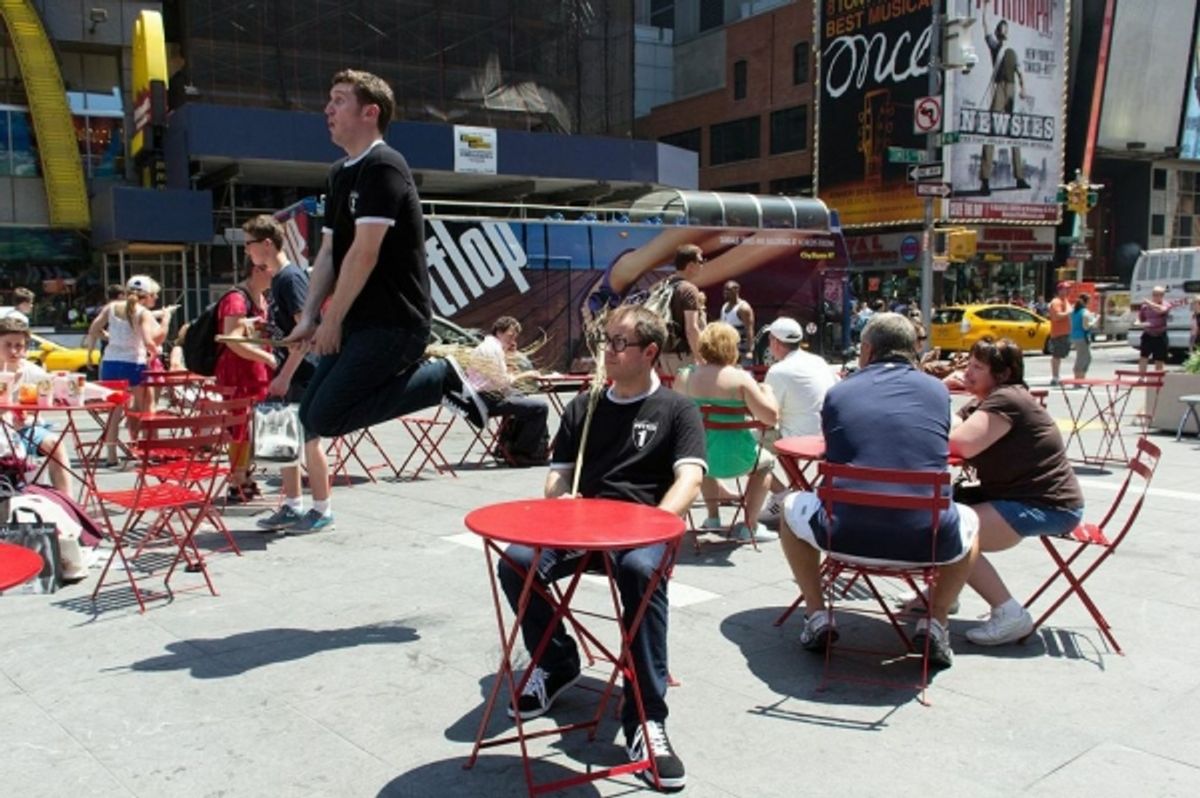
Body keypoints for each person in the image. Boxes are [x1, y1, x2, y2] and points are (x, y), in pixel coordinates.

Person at [496, 305, 704, 791]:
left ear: (650, 352)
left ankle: (645, 719)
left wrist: (656, 524)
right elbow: (558, 475)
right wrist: (558, 497)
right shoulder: (584, 407)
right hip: (582, 528)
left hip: (639, 533)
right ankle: (556, 659)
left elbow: (689, 479)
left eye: (618, 343)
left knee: (639, 570)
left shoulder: (678, 409)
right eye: (605, 341)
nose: (606, 352)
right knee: (516, 560)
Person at [283, 69, 488, 438]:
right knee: (312, 417)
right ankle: (436, 382)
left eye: (339, 99)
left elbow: (364, 252)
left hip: (394, 323)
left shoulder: (384, 165)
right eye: (330, 100)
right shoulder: (338, 174)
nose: (328, 109)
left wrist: (331, 321)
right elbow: (329, 252)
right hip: (358, 324)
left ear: (370, 112)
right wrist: (310, 317)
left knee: (326, 417)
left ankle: (440, 379)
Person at [778, 313, 980, 669]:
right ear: (913, 349)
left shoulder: (840, 391)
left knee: (790, 505)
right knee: (970, 522)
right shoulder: (936, 391)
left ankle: (816, 614)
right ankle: (937, 622)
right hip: (927, 542)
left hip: (842, 536)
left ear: (867, 349)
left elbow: (836, 448)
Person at [949, 338, 1084, 646]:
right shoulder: (989, 398)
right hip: (1022, 497)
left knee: (950, 530)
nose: (968, 373)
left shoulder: (1006, 400)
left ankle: (1010, 614)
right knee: (943, 513)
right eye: (968, 365)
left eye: (978, 368)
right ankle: (944, 595)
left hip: (1047, 505)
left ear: (1003, 374)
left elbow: (960, 444)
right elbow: (957, 422)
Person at [242, 215, 333, 533]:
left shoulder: (289, 278)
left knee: (309, 440)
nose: (248, 252)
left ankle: (321, 508)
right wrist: (270, 330)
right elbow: (293, 330)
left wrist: (284, 376)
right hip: (289, 370)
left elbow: (307, 333)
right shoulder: (282, 279)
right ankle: (293, 505)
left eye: (249, 245)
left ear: (267, 244)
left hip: (302, 372)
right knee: (282, 440)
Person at [677, 322, 778, 543]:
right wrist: (767, 391)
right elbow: (770, 417)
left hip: (698, 458)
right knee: (767, 466)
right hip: (739, 459)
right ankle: (749, 526)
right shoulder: (741, 379)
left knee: (703, 454)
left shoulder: (684, 377)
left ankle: (712, 518)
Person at [758, 317, 838, 528]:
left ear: (775, 342)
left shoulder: (778, 371)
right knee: (784, 429)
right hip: (827, 436)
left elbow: (769, 414)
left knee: (743, 444)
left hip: (797, 439)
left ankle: (782, 494)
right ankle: (797, 489)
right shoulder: (819, 361)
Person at [85, 275, 170, 464]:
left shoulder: (112, 307)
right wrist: (156, 350)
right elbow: (150, 342)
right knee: (142, 408)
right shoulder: (143, 313)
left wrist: (93, 350)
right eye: (154, 295)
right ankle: (142, 448)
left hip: (110, 362)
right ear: (147, 296)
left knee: (114, 410)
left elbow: (93, 328)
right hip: (134, 362)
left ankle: (111, 455)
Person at [217, 255, 278, 502]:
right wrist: (266, 358)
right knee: (239, 426)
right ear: (257, 269)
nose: (274, 274)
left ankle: (245, 475)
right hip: (239, 371)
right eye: (270, 269)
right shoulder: (236, 298)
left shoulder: (261, 297)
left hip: (255, 370)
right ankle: (237, 479)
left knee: (251, 426)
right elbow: (232, 339)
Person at [0, 317, 73, 494]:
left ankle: (68, 506)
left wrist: (102, 393)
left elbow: (56, 383)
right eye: (7, 344)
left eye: (19, 346)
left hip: (22, 430)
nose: (13, 351)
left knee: (55, 444)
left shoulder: (28, 369)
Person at [465, 316, 550, 465]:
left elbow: (500, 378)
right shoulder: (492, 350)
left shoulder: (491, 347)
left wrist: (509, 356)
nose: (512, 339)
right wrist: (526, 374)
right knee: (540, 408)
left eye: (515, 336)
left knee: (521, 398)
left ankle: (506, 445)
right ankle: (522, 452)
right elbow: (502, 381)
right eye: (510, 335)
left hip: (485, 397)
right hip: (487, 400)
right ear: (499, 332)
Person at [977, 0, 1030, 195]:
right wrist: (985, 9)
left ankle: (1020, 177)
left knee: (1014, 133)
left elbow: (1020, 72)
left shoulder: (1013, 50)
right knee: (992, 131)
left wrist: (1024, 89)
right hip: (1000, 87)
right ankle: (985, 180)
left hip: (1012, 89)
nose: (1004, 30)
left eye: (1005, 28)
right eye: (1001, 27)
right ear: (999, 31)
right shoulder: (994, 46)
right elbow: (985, 25)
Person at [654, 244, 707, 376]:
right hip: (684, 356)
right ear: (690, 265)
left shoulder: (665, 285)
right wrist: (700, 357)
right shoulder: (688, 289)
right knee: (687, 395)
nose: (702, 265)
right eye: (700, 261)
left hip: (665, 354)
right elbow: (691, 328)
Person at [1138, 285, 1174, 372]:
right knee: (1143, 356)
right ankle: (1142, 377)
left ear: (1162, 296)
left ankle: (1157, 378)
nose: (1155, 296)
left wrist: (1149, 303)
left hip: (1160, 335)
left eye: (1158, 294)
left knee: (1159, 359)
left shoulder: (1166, 304)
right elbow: (1141, 318)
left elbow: (1161, 310)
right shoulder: (1145, 307)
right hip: (1148, 334)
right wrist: (1139, 323)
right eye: (1154, 294)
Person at [719, 281, 754, 365]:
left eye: (728, 290)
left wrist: (749, 351)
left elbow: (749, 330)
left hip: (740, 351)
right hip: (727, 350)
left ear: (736, 290)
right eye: (724, 290)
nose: (725, 292)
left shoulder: (743, 308)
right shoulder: (724, 306)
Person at [1046, 281, 1071, 386]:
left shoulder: (1065, 300)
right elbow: (1056, 316)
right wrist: (1070, 312)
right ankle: (1055, 377)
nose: (1068, 290)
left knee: (1059, 356)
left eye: (1068, 289)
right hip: (1058, 333)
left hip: (1064, 333)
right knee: (1056, 356)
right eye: (1065, 289)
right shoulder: (1056, 302)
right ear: (1060, 290)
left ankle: (1057, 376)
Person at [1069, 293, 1095, 379]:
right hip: (1082, 337)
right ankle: (1079, 379)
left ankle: (1080, 378)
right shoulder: (1084, 312)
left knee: (1084, 357)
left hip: (1075, 336)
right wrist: (1094, 322)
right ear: (1086, 302)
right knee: (1084, 358)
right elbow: (1085, 326)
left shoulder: (1074, 311)